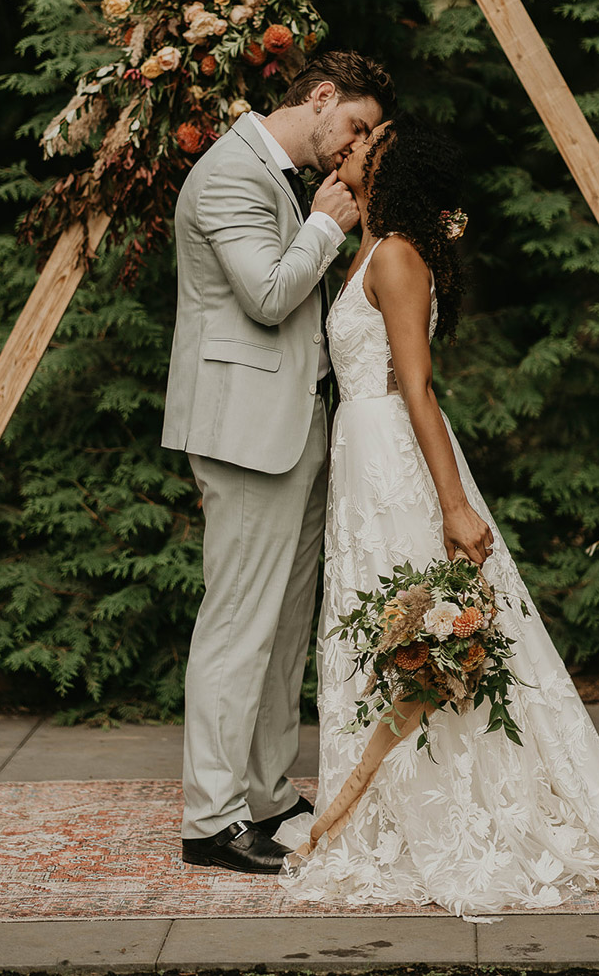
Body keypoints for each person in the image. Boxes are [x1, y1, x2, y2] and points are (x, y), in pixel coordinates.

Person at [279, 112, 599, 914]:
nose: (347, 145)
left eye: (366, 144)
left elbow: (415, 388)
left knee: (411, 619)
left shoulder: (394, 256)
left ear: (390, 172)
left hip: (394, 458)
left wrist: (454, 506)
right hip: (361, 459)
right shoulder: (370, 245)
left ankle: (450, 805)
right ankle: (374, 801)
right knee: (371, 621)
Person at [161, 50, 395, 874]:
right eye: (356, 126)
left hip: (294, 428)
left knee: (283, 627)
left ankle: (263, 793)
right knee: (237, 624)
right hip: (243, 432)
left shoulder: (284, 179)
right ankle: (209, 819)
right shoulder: (229, 172)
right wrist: (327, 226)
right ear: (321, 97)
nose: (355, 147)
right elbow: (265, 294)